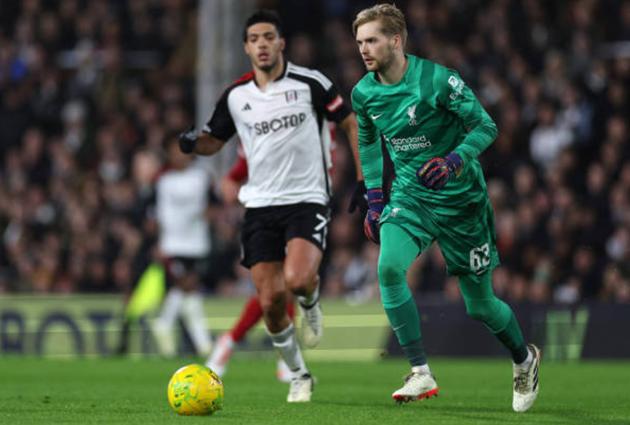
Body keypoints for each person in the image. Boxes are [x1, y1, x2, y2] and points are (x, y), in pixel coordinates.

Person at [351, 4, 541, 412]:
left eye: (372, 40)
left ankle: (524, 360)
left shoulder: (438, 80)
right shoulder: (364, 93)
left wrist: (455, 160)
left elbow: (486, 126)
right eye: (360, 42)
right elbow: (368, 142)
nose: (364, 50)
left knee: (481, 306)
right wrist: (374, 200)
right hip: (411, 195)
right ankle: (420, 371)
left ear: (396, 40)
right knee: (387, 267)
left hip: (461, 201)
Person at [178, 10, 361, 402]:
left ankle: (311, 304)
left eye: (268, 37)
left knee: (296, 280)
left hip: (307, 198)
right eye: (255, 39)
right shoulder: (236, 96)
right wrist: (193, 142)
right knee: (270, 301)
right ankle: (298, 374)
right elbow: (215, 140)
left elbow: (350, 122)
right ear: (246, 48)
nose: (262, 44)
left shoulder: (310, 82)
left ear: (281, 43)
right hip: (259, 206)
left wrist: (364, 179)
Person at [207, 148, 295, 383]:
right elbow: (234, 176)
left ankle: (231, 342)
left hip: (299, 214)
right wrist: (235, 190)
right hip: (263, 219)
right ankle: (280, 355)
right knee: (275, 289)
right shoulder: (260, 133)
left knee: (289, 287)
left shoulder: (299, 129)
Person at [151, 133, 213, 358]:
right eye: (174, 150)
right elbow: (153, 213)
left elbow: (214, 204)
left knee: (189, 292)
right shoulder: (162, 180)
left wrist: (211, 215)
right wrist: (157, 241)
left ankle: (171, 328)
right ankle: (200, 341)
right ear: (167, 154)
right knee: (187, 284)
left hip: (197, 243)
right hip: (172, 244)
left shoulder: (201, 176)